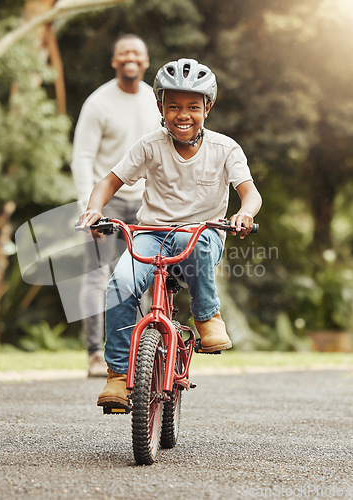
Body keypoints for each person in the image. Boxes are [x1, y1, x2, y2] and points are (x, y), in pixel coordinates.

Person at [79, 58, 262, 410]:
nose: (183, 114)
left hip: (201, 235)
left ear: (207, 107)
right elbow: (109, 181)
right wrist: (94, 208)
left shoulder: (225, 149)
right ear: (160, 107)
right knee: (120, 284)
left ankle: (207, 316)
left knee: (195, 241)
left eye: (193, 106)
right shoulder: (149, 146)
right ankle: (117, 375)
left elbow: (249, 192)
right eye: (173, 106)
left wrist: (244, 213)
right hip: (152, 234)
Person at [71, 34, 160, 377]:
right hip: (105, 202)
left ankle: (141, 354)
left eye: (136, 52)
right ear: (114, 60)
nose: (130, 57)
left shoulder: (155, 101)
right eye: (123, 52)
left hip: (144, 206)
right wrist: (87, 206)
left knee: (144, 278)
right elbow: (82, 158)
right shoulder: (99, 103)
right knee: (96, 276)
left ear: (146, 60)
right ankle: (96, 354)